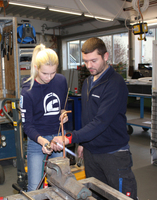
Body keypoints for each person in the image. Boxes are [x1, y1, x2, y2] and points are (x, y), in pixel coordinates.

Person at [51, 37, 137, 200]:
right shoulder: (88, 82)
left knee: (120, 197)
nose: (89, 66)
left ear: (106, 56)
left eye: (94, 60)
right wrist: (83, 143)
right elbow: (88, 116)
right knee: (96, 196)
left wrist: (70, 138)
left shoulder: (115, 83)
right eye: (86, 61)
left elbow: (101, 122)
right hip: (91, 153)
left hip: (113, 154)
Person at [20, 44, 68, 192]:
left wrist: (63, 114)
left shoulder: (61, 81)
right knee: (35, 187)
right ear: (36, 67)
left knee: (60, 185)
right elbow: (27, 126)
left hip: (58, 138)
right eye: (45, 73)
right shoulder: (27, 91)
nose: (49, 78)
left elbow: (62, 106)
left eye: (53, 73)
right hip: (37, 140)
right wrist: (42, 141)